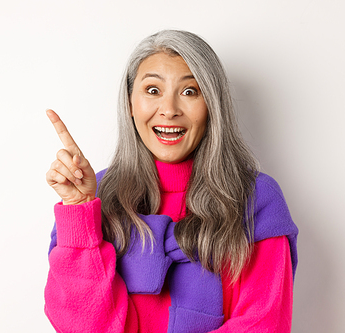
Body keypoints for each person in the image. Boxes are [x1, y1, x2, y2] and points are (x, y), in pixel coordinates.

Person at [44, 30, 298, 333]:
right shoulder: (95, 196)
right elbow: (79, 325)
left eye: (190, 91)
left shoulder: (256, 198)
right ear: (130, 104)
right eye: (153, 90)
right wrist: (78, 208)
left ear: (213, 106)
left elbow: (263, 323)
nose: (169, 110)